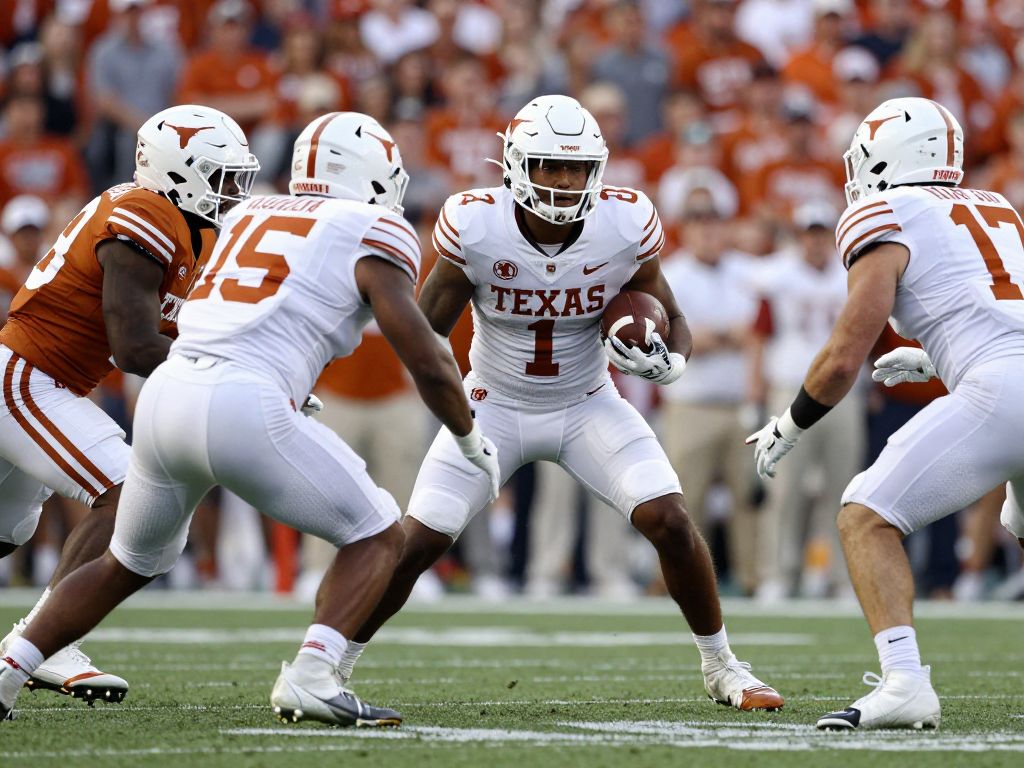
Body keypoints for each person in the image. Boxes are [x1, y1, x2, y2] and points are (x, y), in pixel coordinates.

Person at [0, 111, 501, 727]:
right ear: (376, 178)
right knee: (379, 533)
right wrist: (469, 435)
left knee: (129, 559)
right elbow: (423, 349)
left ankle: (10, 670)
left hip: (168, 397)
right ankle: (314, 674)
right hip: (219, 397)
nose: (228, 188)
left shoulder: (246, 215)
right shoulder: (370, 225)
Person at [336, 95, 784, 713]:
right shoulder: (478, 224)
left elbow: (672, 314)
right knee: (418, 543)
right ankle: (332, 665)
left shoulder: (623, 223)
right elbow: (425, 325)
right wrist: (450, 403)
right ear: (517, 164)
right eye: (549, 165)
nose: (565, 179)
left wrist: (671, 359)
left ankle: (722, 666)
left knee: (672, 522)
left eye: (575, 167)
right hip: (493, 403)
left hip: (588, 401)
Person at [747, 96, 1024, 731]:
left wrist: (790, 423)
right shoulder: (996, 205)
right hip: (1009, 371)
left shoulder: (885, 209)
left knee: (865, 516)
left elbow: (845, 355)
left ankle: (904, 682)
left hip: (1001, 387)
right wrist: (935, 358)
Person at [0, 104, 258, 706]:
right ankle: (45, 641)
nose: (231, 193)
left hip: (47, 382)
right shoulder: (143, 212)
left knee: (6, 531)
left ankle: (41, 639)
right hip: (29, 378)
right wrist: (245, 374)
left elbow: (197, 329)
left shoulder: (191, 226)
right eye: (221, 177)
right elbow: (136, 347)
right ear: (177, 172)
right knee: (127, 492)